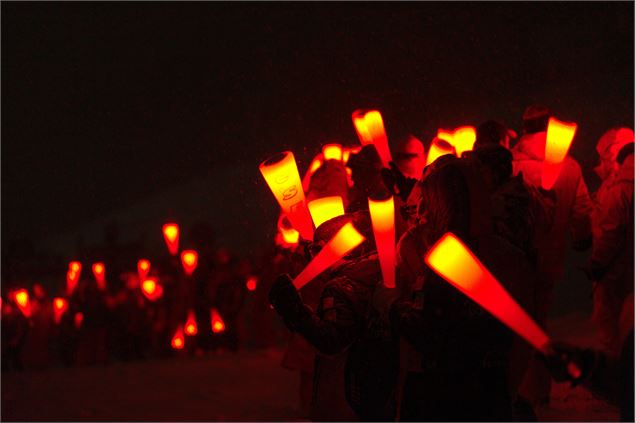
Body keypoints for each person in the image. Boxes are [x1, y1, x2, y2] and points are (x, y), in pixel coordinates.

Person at [389, 156, 536, 421]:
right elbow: (521, 336)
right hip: (485, 387)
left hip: (433, 386)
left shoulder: (415, 247)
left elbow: (409, 329)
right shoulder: (507, 257)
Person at [269, 211, 399, 421]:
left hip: (344, 396)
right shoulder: (380, 277)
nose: (313, 259)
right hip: (376, 393)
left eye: (318, 250)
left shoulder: (340, 288)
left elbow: (332, 340)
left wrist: (296, 313)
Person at [511, 105, 593, 405]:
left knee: (513, 324)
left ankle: (516, 390)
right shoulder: (569, 167)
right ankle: (539, 389)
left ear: (524, 128)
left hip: (513, 262)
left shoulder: (511, 164)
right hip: (550, 261)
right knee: (539, 323)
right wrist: (581, 239)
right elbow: (582, 212)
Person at [588, 140, 634, 356]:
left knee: (609, 324)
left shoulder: (621, 188)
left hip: (615, 270)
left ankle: (615, 376)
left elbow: (611, 230)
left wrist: (598, 262)